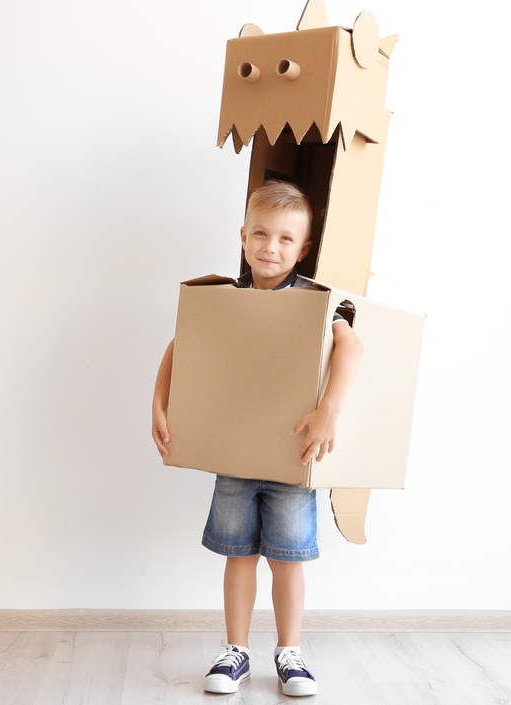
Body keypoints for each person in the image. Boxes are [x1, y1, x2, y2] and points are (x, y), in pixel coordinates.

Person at [150, 181, 364, 697]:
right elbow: (183, 344)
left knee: (287, 560)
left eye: (286, 239)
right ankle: (236, 651)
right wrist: (159, 403)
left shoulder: (313, 304)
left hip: (294, 459)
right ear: (244, 238)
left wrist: (328, 412)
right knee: (238, 554)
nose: (271, 247)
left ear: (304, 248)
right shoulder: (231, 301)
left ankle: (289, 652)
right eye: (262, 234)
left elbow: (350, 344)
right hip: (237, 459)